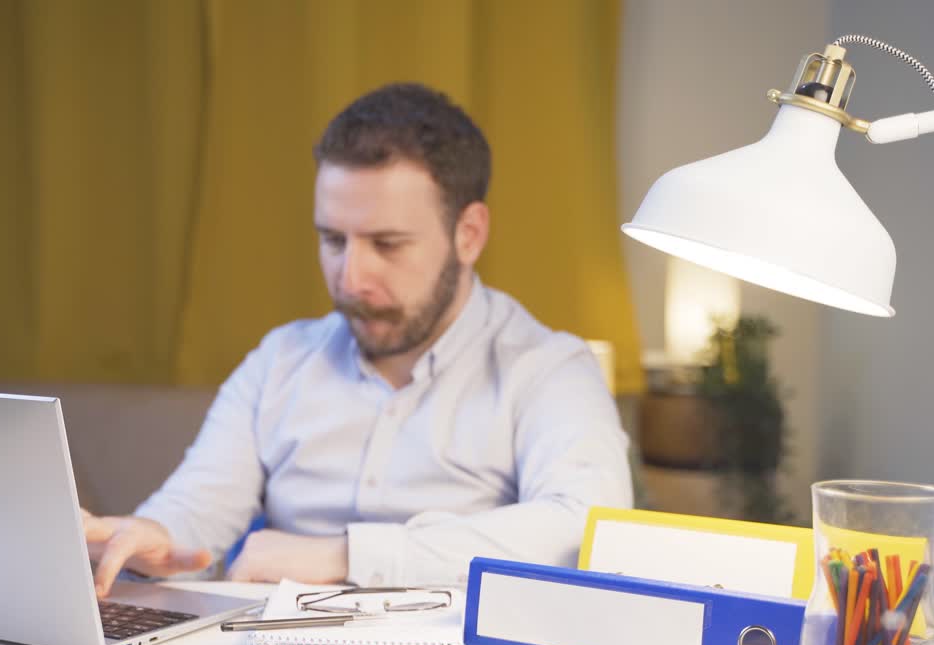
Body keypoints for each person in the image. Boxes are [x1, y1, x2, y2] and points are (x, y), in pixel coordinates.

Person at [85, 82, 632, 597]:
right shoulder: (281, 360)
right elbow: (195, 508)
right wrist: (150, 536)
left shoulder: (548, 368)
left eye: (387, 244)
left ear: (468, 235)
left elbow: (586, 530)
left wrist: (346, 556)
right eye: (332, 240)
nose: (349, 279)